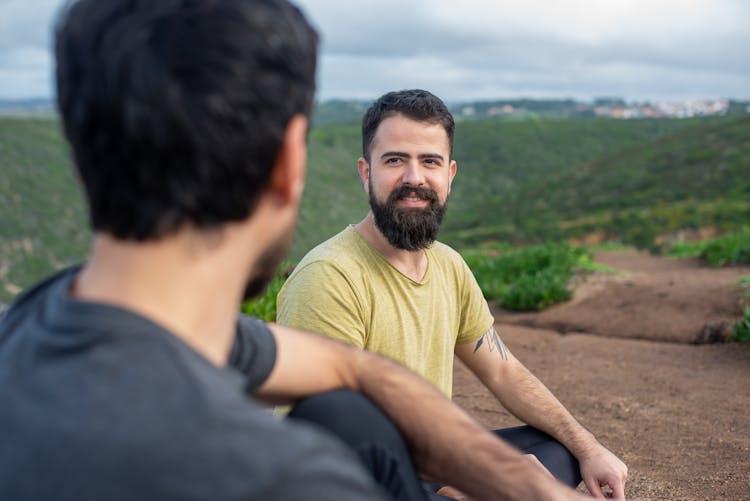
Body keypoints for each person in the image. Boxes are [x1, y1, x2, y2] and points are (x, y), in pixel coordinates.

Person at [0, 2, 592, 500]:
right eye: (396, 160)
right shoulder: (285, 478)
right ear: (290, 166)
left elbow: (351, 367)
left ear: (81, 162)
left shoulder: (36, 317)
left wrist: (523, 482)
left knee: (356, 411)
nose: (414, 175)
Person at [277, 89, 629, 499]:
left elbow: (503, 371)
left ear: (450, 174)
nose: (414, 178)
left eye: (430, 161)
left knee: (561, 452)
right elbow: (334, 439)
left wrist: (589, 447)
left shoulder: (447, 265)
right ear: (365, 172)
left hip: (431, 462)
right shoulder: (331, 277)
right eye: (395, 160)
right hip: (356, 480)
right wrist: (470, 480)